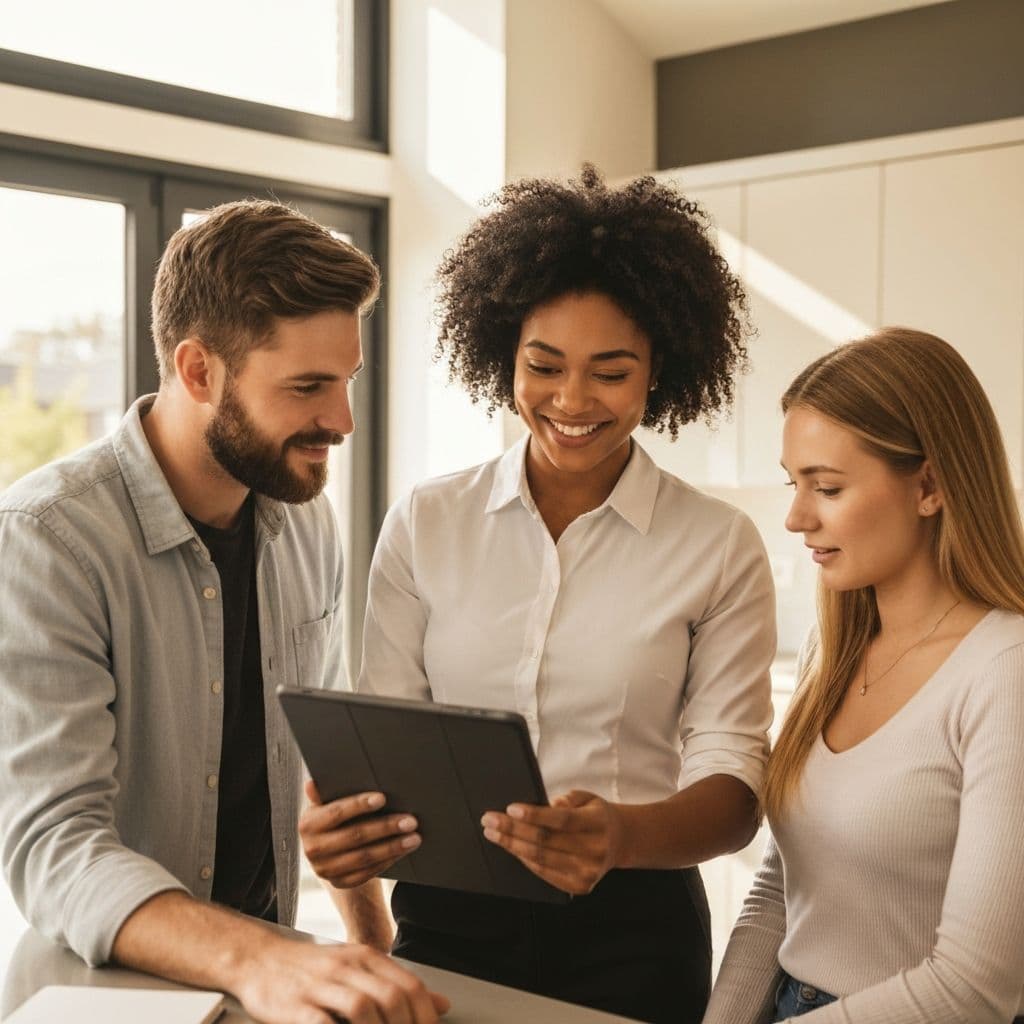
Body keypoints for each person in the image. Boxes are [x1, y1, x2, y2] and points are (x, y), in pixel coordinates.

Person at [300, 166, 777, 1024]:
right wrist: (346, 833)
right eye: (544, 365)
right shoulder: (427, 522)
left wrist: (621, 835)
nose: (571, 401)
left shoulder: (716, 545)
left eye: (611, 372)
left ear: (658, 368)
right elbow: (388, 737)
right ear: (503, 354)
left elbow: (734, 788)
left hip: (635, 930)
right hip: (447, 921)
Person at [0, 200, 448, 1024]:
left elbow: (322, 771)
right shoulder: (45, 540)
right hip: (105, 997)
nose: (342, 422)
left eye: (345, 382)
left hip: (262, 986)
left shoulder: (304, 515)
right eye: (308, 388)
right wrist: (263, 958)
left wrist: (372, 947)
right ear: (199, 370)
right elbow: (53, 847)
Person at [703, 327, 1024, 1024]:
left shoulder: (1006, 672)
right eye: (796, 484)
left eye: (827, 487)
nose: (795, 516)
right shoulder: (837, 645)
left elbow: (976, 987)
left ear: (930, 485)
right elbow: (784, 885)